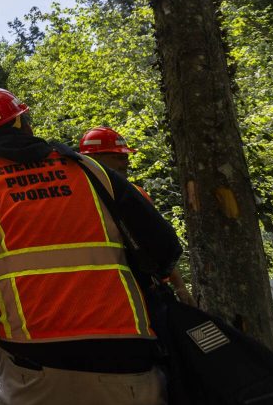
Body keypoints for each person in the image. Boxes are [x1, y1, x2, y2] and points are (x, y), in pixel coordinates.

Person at [0, 87, 183, 405]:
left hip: (31, 364)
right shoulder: (88, 170)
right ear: (23, 122)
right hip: (124, 358)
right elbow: (164, 246)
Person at [79, 126, 194, 306]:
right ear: (93, 159)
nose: (125, 163)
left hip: (148, 290)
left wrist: (180, 287)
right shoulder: (80, 197)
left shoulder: (137, 194)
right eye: (117, 157)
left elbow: (158, 243)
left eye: (125, 157)